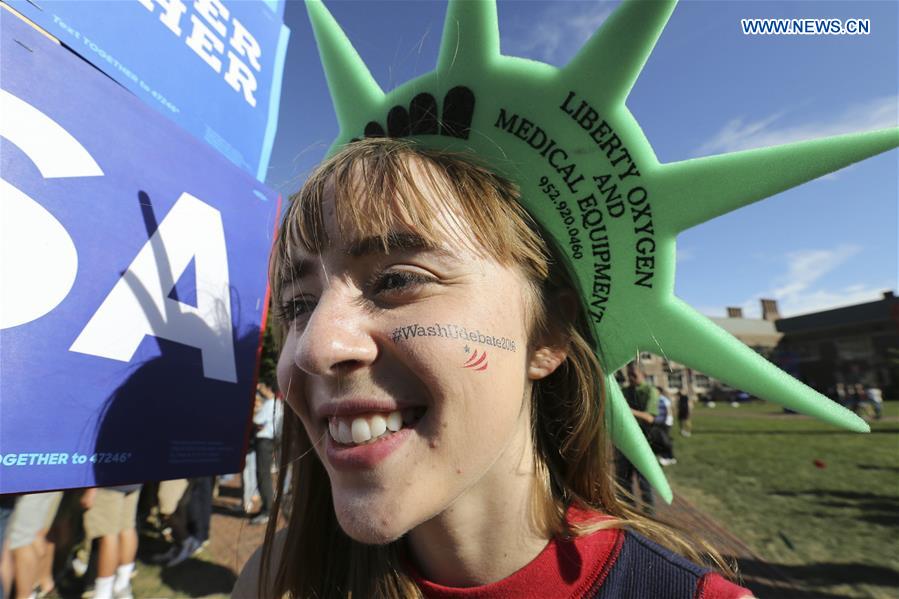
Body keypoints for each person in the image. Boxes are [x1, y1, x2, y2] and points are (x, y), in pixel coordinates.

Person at [232, 139, 753, 598]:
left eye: (396, 279)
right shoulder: (274, 584)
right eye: (299, 305)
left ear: (546, 336)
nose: (314, 348)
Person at [81, 485, 141, 599]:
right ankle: (122, 586)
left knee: (108, 535)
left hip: (108, 482)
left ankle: (103, 593)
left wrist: (91, 488)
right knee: (127, 527)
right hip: (132, 479)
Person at [614, 367, 659, 512]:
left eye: (634, 375)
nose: (631, 379)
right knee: (622, 479)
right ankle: (629, 512)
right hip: (625, 441)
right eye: (629, 375)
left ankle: (649, 514)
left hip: (643, 441)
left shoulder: (650, 391)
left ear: (644, 375)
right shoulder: (626, 390)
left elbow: (649, 417)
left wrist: (626, 409)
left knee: (644, 481)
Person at [250, 382, 277, 526]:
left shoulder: (271, 403)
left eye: (262, 388)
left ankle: (267, 510)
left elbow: (257, 421)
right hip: (267, 441)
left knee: (263, 474)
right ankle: (266, 508)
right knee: (263, 474)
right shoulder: (274, 403)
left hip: (264, 440)